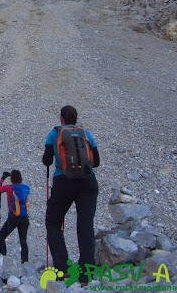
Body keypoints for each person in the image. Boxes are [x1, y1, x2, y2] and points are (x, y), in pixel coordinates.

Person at [42, 105, 100, 284]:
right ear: (76, 118)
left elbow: (46, 160)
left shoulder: (55, 133)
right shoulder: (85, 133)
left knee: (53, 221)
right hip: (88, 182)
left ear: (61, 118)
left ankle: (62, 268)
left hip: (64, 181)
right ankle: (86, 273)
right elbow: (96, 161)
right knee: (85, 225)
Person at [0, 169, 31, 263]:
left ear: (11, 179)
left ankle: (3, 259)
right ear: (21, 178)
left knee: (1, 237)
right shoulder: (25, 188)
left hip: (13, 217)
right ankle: (25, 261)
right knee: (23, 240)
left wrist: (2, 178)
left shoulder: (9, 188)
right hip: (24, 217)